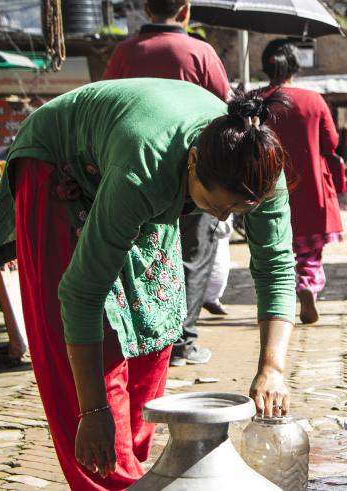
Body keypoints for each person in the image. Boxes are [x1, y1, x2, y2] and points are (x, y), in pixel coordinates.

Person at [0, 79, 297, 489]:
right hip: (60, 161)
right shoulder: (145, 170)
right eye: (214, 204)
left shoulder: (260, 168)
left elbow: (276, 265)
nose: (223, 219)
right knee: (94, 340)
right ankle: (107, 477)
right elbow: (81, 292)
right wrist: (94, 411)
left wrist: (272, 368)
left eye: (238, 209)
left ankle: (135, 472)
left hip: (136, 161)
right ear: (191, 163)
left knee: (153, 318)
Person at [102, 0, 233, 367]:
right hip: (197, 174)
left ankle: (141, 339)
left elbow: (106, 109)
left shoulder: (125, 53)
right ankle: (182, 343)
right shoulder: (201, 52)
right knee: (194, 255)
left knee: (136, 254)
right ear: (186, 10)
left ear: (145, 8)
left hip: (136, 172)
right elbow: (224, 112)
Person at [258, 39, 344, 325]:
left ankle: (275, 307)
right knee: (309, 251)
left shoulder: (257, 100)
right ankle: (307, 284)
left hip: (267, 183)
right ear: (295, 66)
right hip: (309, 184)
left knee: (273, 248)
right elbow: (331, 141)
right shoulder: (313, 100)